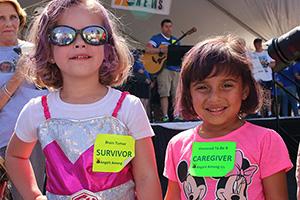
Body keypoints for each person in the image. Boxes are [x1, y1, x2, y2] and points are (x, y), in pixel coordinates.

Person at [5, 0, 162, 199]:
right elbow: (15, 156)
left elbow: (147, 176)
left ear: (107, 47)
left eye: (93, 34)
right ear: (48, 50)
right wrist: (34, 195)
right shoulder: (37, 110)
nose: (80, 42)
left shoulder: (127, 108)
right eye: (64, 35)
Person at [164, 35, 293, 199]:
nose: (214, 98)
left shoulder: (266, 141)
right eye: (202, 87)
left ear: (245, 90)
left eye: (227, 85)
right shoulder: (177, 145)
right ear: (189, 93)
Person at [0, 0, 47, 199]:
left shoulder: (37, 50)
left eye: (13, 17)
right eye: (0, 18)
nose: (8, 23)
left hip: (41, 139)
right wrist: (18, 77)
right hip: (6, 141)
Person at [145, 19, 181, 122]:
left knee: (176, 93)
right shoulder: (156, 38)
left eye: (170, 26)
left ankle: (177, 115)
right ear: (162, 27)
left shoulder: (175, 40)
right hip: (164, 68)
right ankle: (165, 115)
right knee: (164, 92)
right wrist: (161, 50)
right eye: (166, 26)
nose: (169, 29)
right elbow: (147, 49)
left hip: (176, 69)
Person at [253, 38, 275, 117]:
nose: (257, 46)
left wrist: (266, 64)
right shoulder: (253, 55)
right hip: (257, 77)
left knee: (268, 94)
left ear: (260, 44)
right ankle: (259, 112)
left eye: (258, 44)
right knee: (259, 94)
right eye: (255, 44)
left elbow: (273, 64)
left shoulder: (266, 53)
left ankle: (269, 112)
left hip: (267, 77)